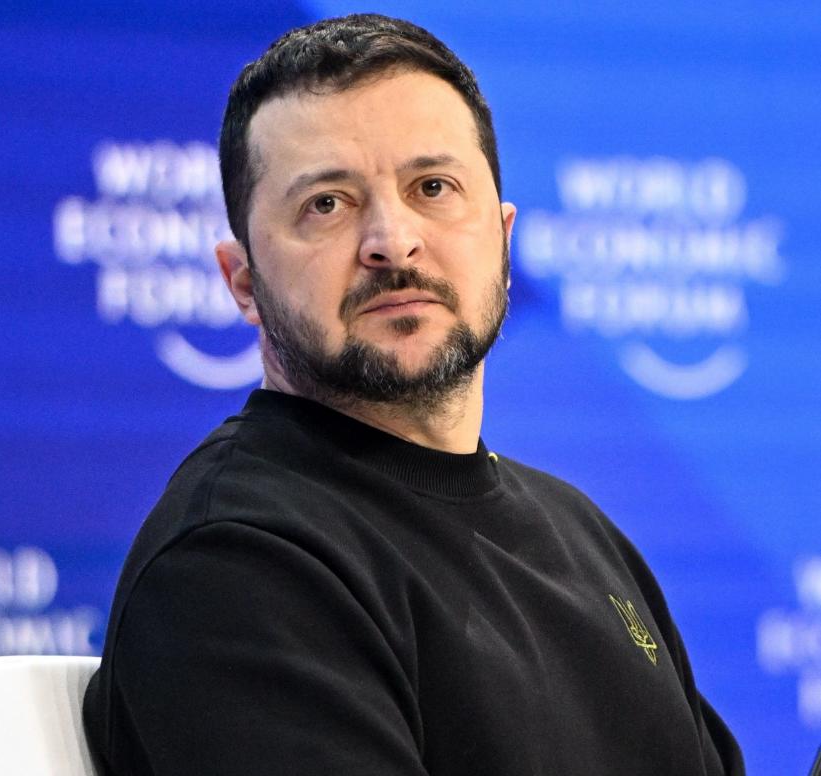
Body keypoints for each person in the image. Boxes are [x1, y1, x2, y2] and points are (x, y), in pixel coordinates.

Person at [83, 13, 744, 776]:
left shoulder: (581, 533)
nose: (392, 240)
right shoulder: (234, 562)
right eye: (325, 203)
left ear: (502, 241)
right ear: (243, 282)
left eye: (432, 187)